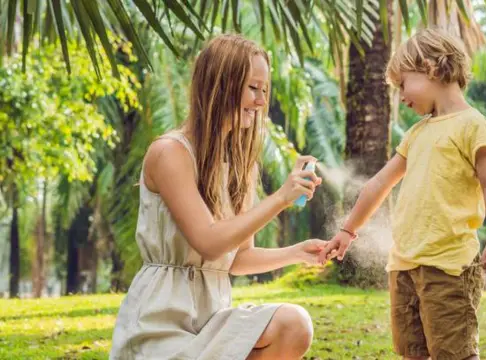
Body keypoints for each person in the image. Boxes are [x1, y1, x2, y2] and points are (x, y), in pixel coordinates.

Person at [110, 34, 325, 360]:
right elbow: (208, 241)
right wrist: (281, 197)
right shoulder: (170, 153)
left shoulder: (239, 164)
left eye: (265, 90)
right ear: (220, 85)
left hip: (212, 319)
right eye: (253, 88)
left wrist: (298, 253)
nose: (260, 100)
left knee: (294, 324)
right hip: (160, 321)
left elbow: (236, 259)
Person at [319, 28, 486, 360]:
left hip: (449, 268)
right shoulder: (415, 134)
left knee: (454, 353)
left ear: (430, 67)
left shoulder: (472, 125)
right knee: (411, 352)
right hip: (404, 266)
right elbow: (378, 184)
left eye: (403, 84)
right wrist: (347, 231)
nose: (402, 97)